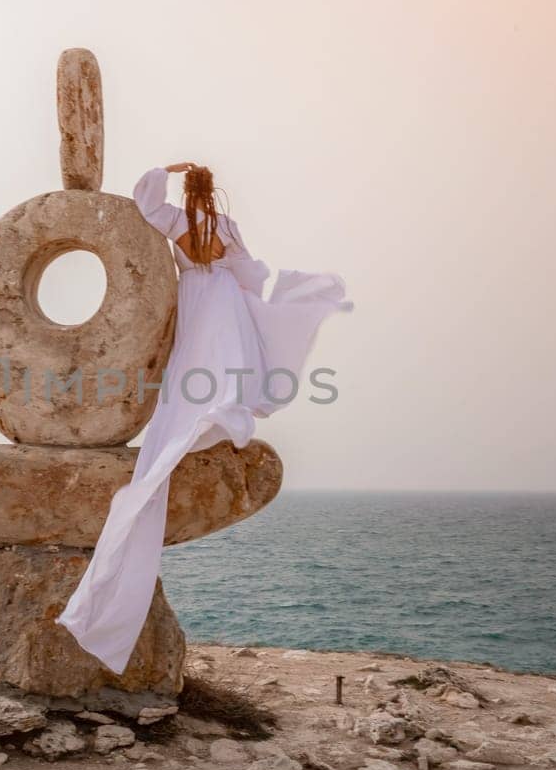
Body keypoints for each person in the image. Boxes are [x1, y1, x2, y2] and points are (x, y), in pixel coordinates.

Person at [56, 162, 352, 675]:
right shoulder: (225, 227)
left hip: (195, 300)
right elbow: (251, 275)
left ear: (187, 188)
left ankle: (203, 418)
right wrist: (234, 266)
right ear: (213, 190)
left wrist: (164, 170)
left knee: (190, 371)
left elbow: (144, 198)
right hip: (223, 303)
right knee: (219, 369)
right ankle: (219, 413)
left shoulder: (175, 219)